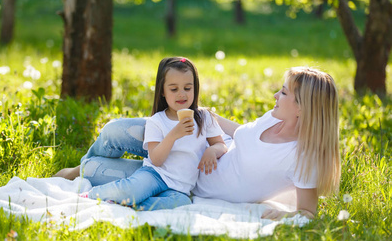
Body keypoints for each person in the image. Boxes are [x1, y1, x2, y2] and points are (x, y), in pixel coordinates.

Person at [55, 66, 341, 220]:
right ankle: (75, 170)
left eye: (283, 93)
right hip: (195, 140)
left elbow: (308, 212)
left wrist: (282, 214)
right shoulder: (273, 118)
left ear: (303, 107)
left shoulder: (303, 158)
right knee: (116, 130)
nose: (275, 97)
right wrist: (208, 122)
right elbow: (242, 133)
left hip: (185, 181)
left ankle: (82, 171)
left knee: (98, 171)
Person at [68, 57, 227, 211]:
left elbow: (221, 144)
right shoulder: (157, 121)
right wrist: (173, 135)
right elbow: (156, 160)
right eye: (174, 89)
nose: (182, 94)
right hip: (155, 175)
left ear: (195, 88)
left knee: (182, 202)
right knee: (131, 190)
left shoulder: (204, 117)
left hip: (180, 188)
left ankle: (132, 204)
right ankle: (94, 195)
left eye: (187, 88)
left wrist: (212, 150)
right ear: (163, 91)